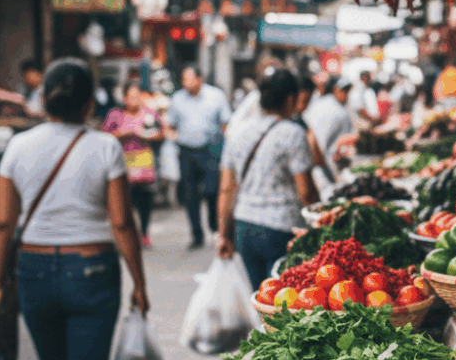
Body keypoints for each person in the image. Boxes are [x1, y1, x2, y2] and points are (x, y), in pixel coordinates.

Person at [0, 58, 150, 360]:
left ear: (44, 99)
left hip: (35, 272)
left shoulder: (18, 148)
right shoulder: (105, 148)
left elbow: (4, 224)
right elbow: (123, 224)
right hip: (94, 274)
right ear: (89, 103)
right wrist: (139, 283)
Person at [217, 70, 319, 289]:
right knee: (283, 301)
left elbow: (226, 189)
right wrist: (320, 225)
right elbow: (307, 192)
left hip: (244, 227)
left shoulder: (237, 132)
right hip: (280, 230)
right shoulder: (292, 133)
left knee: (260, 297)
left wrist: (224, 234)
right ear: (291, 99)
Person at [168, 66, 231, 250]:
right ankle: (196, 234)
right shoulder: (177, 99)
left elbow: (226, 122)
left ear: (199, 79)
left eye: (188, 79)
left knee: (212, 190)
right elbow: (171, 124)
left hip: (210, 149)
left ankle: (213, 224)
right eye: (183, 79)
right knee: (189, 194)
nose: (185, 83)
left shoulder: (216, 96)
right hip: (186, 150)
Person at [102, 81, 165, 248]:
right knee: (124, 201)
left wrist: (145, 135)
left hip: (144, 162)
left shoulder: (149, 114)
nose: (134, 100)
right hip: (122, 163)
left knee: (145, 201)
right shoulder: (115, 115)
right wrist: (123, 133)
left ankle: (144, 233)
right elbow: (104, 136)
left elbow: (161, 133)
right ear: (124, 98)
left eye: (137, 96)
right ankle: (125, 234)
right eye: (131, 97)